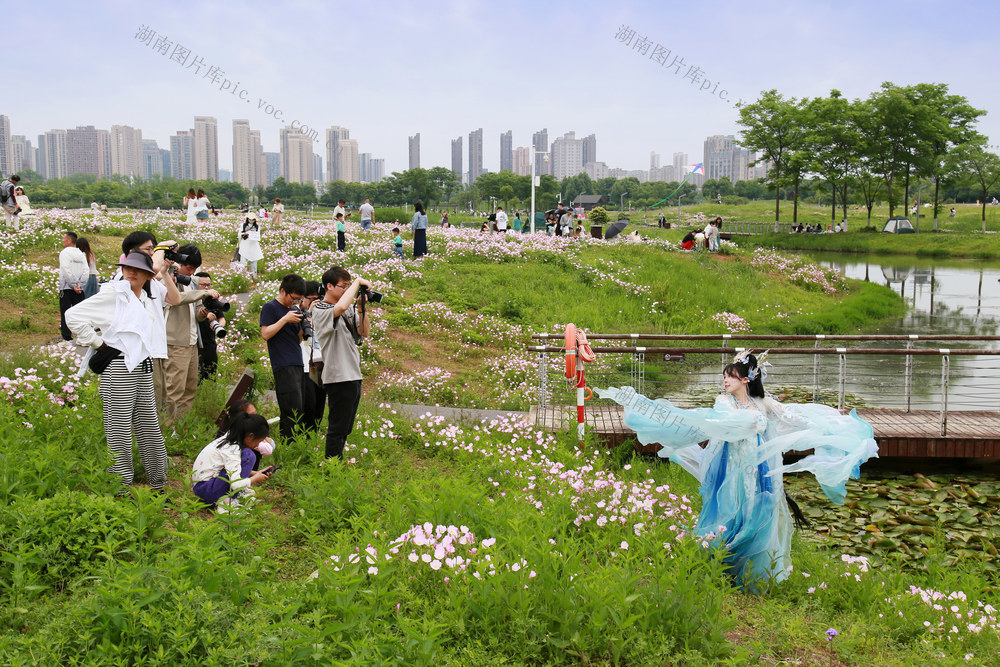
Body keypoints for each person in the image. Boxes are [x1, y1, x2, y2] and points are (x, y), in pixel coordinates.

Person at [597, 351, 877, 591]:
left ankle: (750, 568)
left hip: (757, 468)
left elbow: (793, 417)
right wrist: (747, 421)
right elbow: (726, 421)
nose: (725, 381)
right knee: (730, 508)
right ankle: (722, 562)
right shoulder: (724, 403)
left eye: (730, 376)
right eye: (724, 376)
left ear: (747, 379)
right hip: (729, 468)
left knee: (758, 510)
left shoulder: (764, 404)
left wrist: (829, 425)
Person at [65, 251, 174, 494]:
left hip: (143, 367)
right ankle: (121, 489)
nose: (130, 272)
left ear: (148, 275)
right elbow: (73, 316)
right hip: (120, 368)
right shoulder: (114, 294)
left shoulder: (144, 299)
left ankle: (158, 486)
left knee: (150, 428)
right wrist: (98, 343)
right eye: (127, 268)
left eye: (137, 269)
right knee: (119, 432)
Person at [313, 266, 372, 460]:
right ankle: (331, 469)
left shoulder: (346, 309)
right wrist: (356, 283)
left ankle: (336, 464)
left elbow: (364, 332)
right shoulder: (320, 309)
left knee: (346, 427)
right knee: (337, 428)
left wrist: (362, 307)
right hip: (338, 377)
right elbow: (339, 308)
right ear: (329, 286)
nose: (346, 290)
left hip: (353, 374)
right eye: (343, 286)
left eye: (348, 286)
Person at [163, 245, 221, 424]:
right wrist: (203, 292)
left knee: (189, 390)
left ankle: (180, 429)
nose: (192, 272)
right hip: (175, 342)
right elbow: (177, 299)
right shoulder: (167, 278)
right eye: (189, 268)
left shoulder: (189, 282)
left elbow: (194, 310)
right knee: (174, 390)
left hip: (192, 342)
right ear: (177, 263)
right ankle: (165, 429)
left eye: (195, 269)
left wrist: (202, 314)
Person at [191, 412, 274, 512]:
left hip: (201, 489)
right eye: (259, 441)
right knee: (249, 456)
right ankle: (227, 501)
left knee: (246, 455)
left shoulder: (228, 439)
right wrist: (255, 479)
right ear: (250, 436)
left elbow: (228, 467)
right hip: (208, 492)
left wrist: (254, 473)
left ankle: (233, 494)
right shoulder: (233, 450)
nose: (257, 445)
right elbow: (235, 483)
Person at [260, 274, 306, 441]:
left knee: (299, 407)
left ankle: (295, 441)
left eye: (298, 300)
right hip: (282, 363)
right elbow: (265, 334)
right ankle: (288, 443)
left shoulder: (294, 310)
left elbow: (298, 338)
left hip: (297, 361)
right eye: (293, 298)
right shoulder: (270, 307)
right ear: (283, 291)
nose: (294, 302)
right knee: (290, 407)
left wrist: (304, 324)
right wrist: (285, 319)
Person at [214, 399, 276, 469]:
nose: (256, 418)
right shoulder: (243, 436)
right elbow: (268, 449)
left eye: (256, 414)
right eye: (251, 415)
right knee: (250, 454)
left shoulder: (230, 431)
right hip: (233, 474)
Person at [300, 282, 325, 434]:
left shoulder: (323, 313)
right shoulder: (296, 314)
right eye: (312, 299)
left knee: (319, 404)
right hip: (305, 366)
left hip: (320, 364)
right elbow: (304, 339)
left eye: (318, 298)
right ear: (302, 298)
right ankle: (305, 437)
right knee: (308, 404)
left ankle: (313, 436)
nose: (316, 302)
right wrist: (308, 313)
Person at [58, 232, 89, 346]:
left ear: (69, 240)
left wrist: (73, 284)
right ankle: (82, 337)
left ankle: (67, 339)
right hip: (80, 289)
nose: (63, 241)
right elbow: (86, 271)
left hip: (67, 288)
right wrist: (80, 284)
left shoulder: (64, 253)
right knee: (80, 313)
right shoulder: (81, 254)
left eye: (64, 239)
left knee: (65, 313)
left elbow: (66, 270)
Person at [194, 271, 222, 382]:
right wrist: (205, 315)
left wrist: (219, 326)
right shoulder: (192, 300)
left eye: (208, 285)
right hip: (197, 346)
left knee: (211, 377)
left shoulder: (212, 301)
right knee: (198, 378)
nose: (206, 287)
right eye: (203, 285)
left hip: (210, 344)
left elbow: (221, 318)